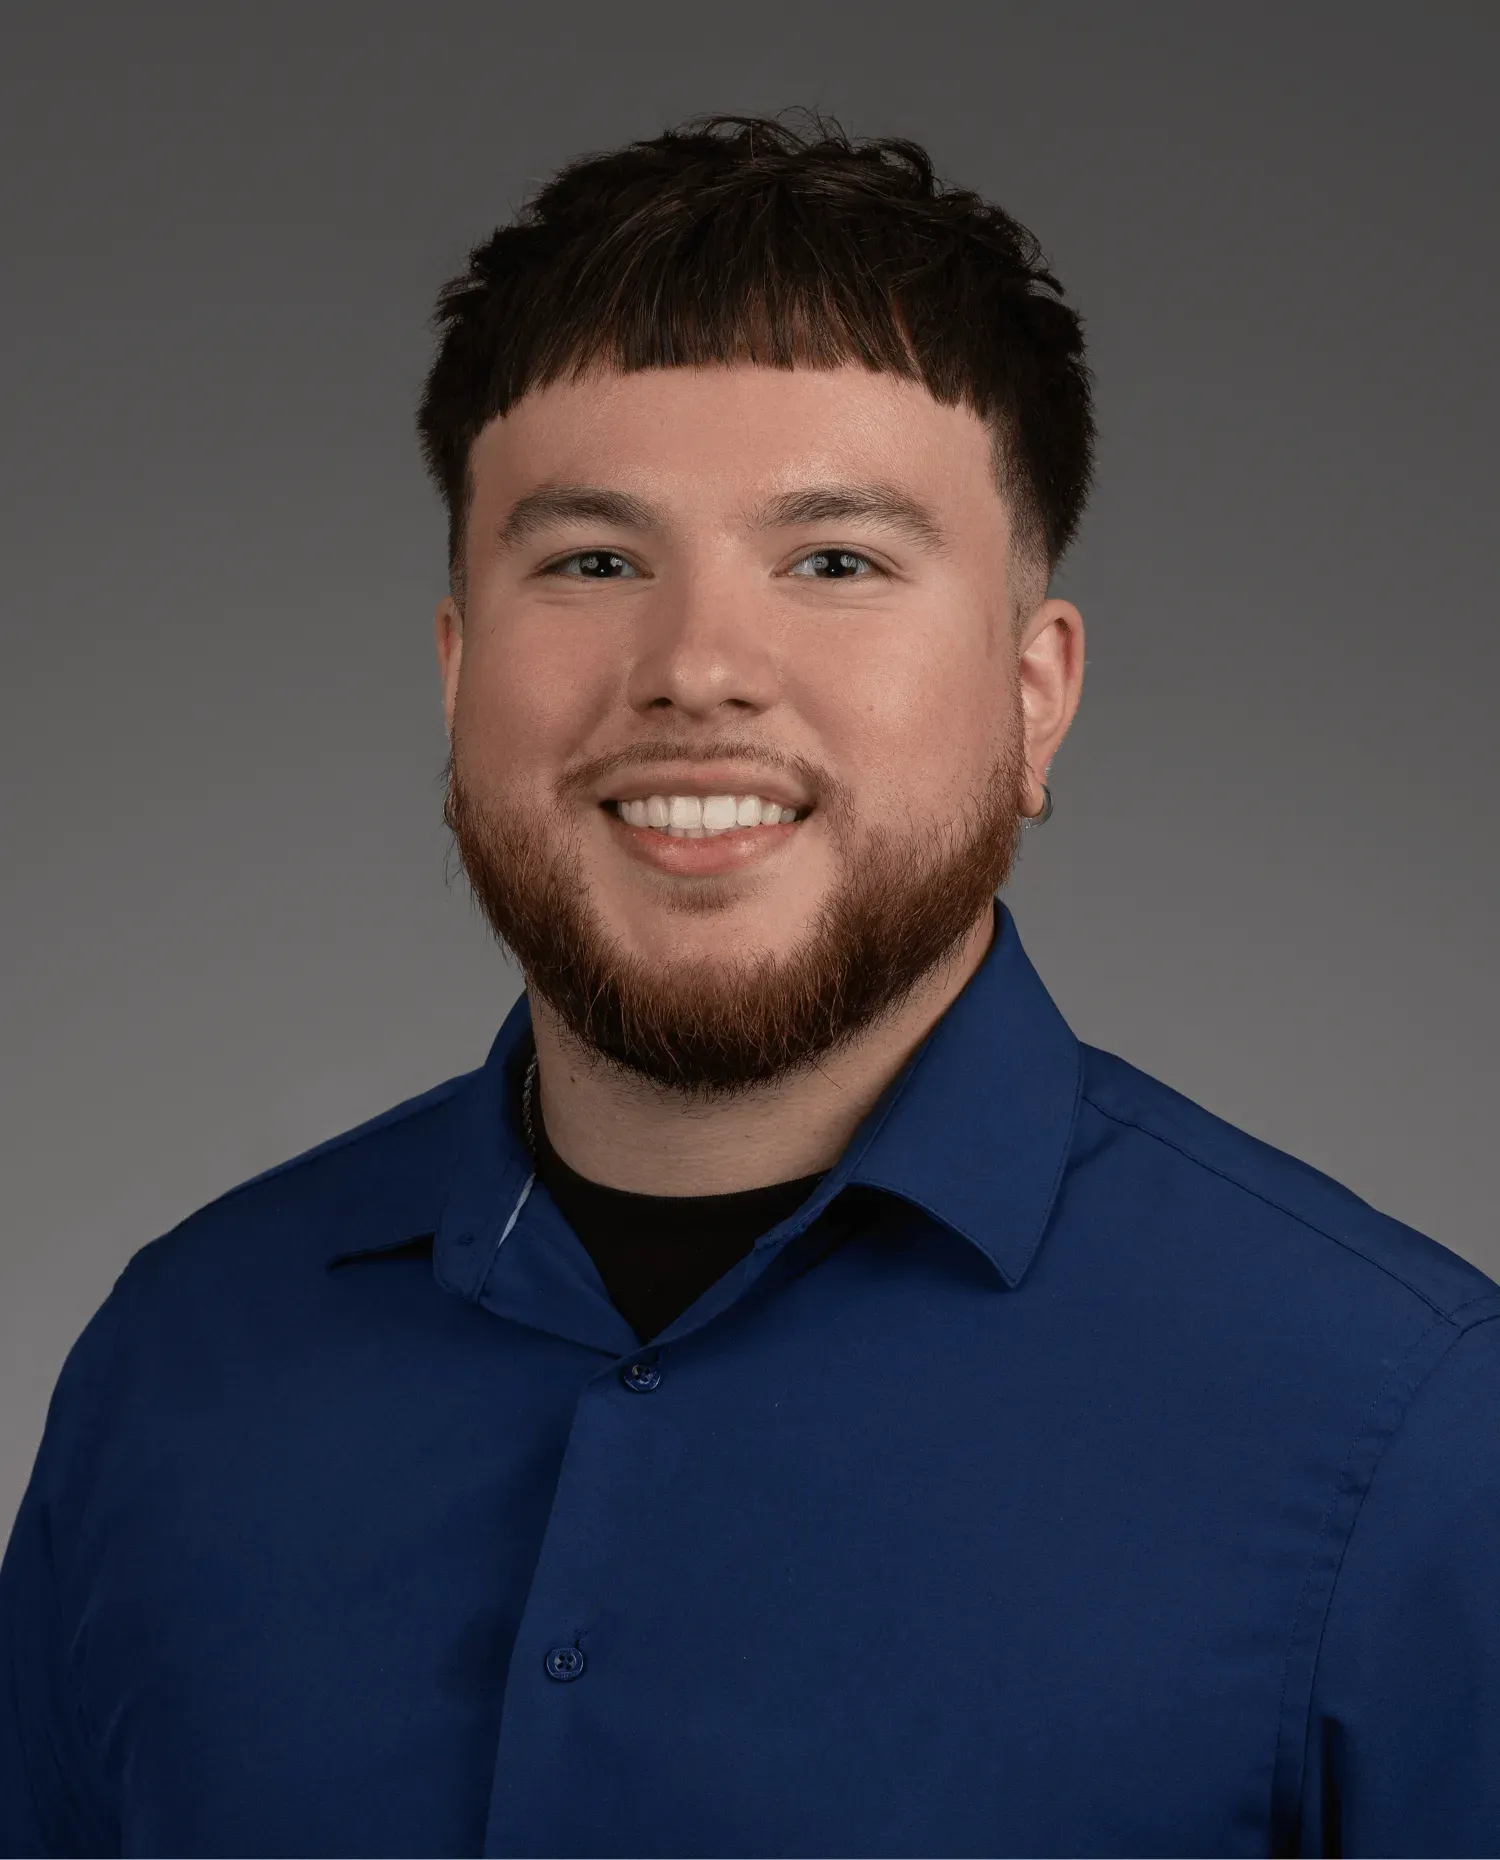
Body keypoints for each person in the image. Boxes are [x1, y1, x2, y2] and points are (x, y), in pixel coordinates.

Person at [2, 113, 1496, 1860]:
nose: (698, 668)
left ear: (1035, 695)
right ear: (458, 673)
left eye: (835, 562)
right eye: (594, 561)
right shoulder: (178, 1367)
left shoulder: (1413, 1435)